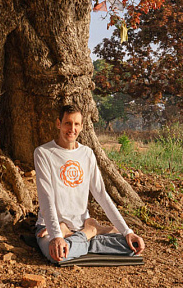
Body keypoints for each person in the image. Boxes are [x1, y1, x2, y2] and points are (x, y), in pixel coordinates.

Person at [33, 104, 145, 263]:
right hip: (51, 227)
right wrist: (57, 235)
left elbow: (102, 195)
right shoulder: (43, 153)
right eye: (67, 123)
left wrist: (127, 232)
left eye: (76, 124)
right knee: (58, 255)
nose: (72, 128)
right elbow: (46, 199)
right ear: (59, 124)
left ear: (82, 126)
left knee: (131, 247)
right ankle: (91, 231)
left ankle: (82, 235)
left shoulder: (87, 153)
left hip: (79, 225)